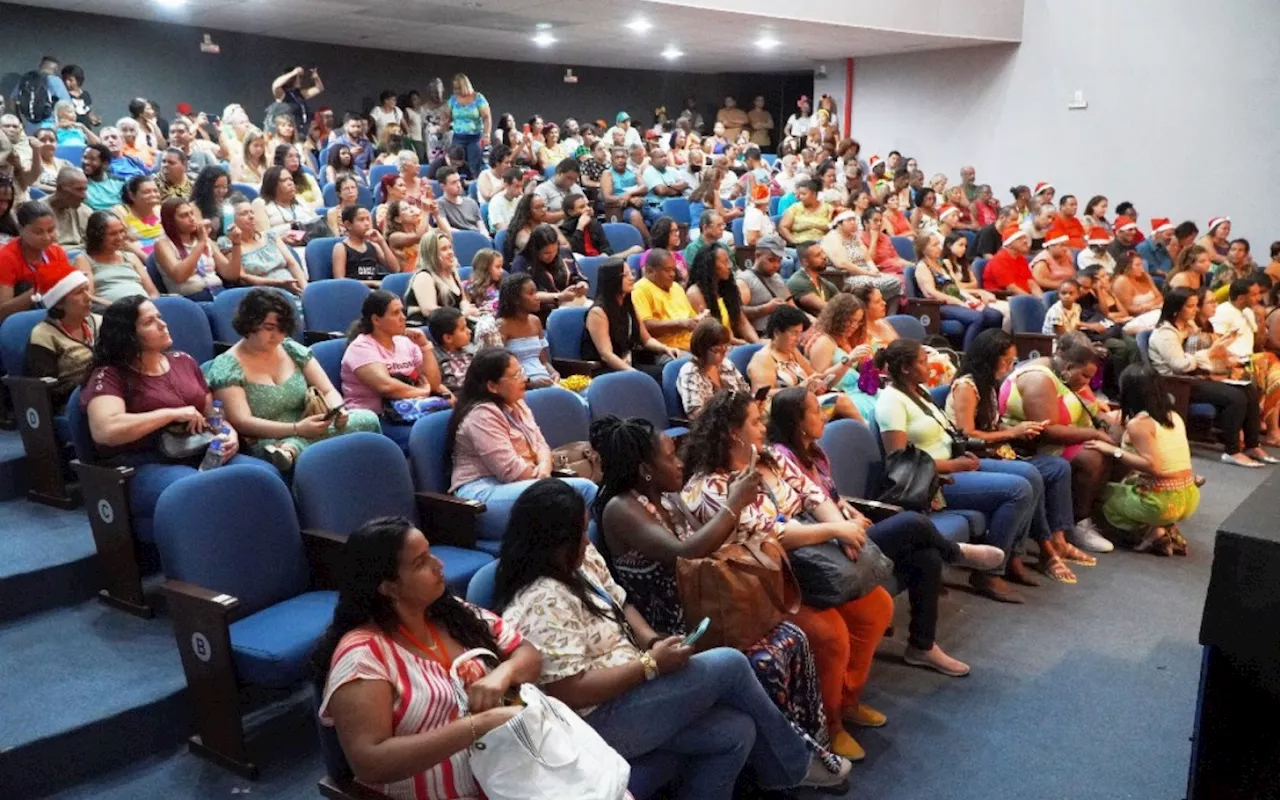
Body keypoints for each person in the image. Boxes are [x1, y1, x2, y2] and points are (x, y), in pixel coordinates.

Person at [496, 479, 845, 796]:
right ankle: (796, 764)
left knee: (736, 732)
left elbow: (620, 602)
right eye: (578, 534)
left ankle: (785, 764)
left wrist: (649, 640)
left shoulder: (578, 559)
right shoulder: (540, 598)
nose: (587, 540)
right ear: (551, 543)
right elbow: (567, 691)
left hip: (632, 685)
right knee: (731, 663)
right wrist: (649, 666)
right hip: (596, 721)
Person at [680, 390, 893, 759]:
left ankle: (846, 700)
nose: (764, 426)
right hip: (764, 578)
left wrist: (841, 532)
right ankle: (829, 726)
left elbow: (813, 495)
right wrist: (834, 532)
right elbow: (764, 533)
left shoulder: (772, 458)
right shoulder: (709, 487)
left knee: (878, 607)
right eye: (755, 421)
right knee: (831, 635)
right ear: (733, 432)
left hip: (812, 561)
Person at [768, 386, 1003, 671]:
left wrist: (848, 509)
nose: (823, 416)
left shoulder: (814, 452)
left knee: (926, 556)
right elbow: (795, 512)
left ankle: (922, 647)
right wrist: (844, 527)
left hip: (843, 528)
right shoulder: (779, 458)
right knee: (912, 522)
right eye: (815, 411)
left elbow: (829, 495)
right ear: (797, 422)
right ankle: (954, 553)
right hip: (824, 544)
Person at [315, 515, 543, 800]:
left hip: (502, 772)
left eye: (430, 553)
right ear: (388, 587)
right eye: (420, 563)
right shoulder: (363, 656)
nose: (439, 565)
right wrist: (476, 726)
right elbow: (370, 762)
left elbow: (529, 654)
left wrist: (503, 673)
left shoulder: (450, 613)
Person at [874, 337, 1043, 603]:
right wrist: (954, 464)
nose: (929, 365)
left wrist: (962, 454)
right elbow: (898, 460)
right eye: (921, 361)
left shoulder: (920, 393)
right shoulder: (891, 402)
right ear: (905, 368)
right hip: (932, 480)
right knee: (1018, 490)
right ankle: (989, 572)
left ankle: (1013, 557)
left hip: (954, 463)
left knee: (1031, 474)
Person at [946, 329, 1094, 583]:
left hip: (997, 451)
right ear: (989, 358)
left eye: (1013, 361)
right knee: (1030, 476)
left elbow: (991, 427)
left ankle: (1058, 539)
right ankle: (1033, 553)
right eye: (1006, 361)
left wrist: (1019, 430)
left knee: (1057, 467)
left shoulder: (989, 384)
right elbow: (967, 434)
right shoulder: (967, 386)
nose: (1010, 366)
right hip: (970, 456)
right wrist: (1013, 431)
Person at [206, 289, 379, 471]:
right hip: (268, 438)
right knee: (281, 449)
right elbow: (242, 422)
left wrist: (338, 409)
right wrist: (296, 429)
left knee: (368, 419)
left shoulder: (290, 348)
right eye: (269, 328)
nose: (277, 336)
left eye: (282, 329)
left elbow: (327, 390)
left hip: (312, 424)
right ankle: (292, 447)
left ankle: (293, 448)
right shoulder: (227, 365)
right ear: (249, 323)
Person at [79, 296, 256, 470]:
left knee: (257, 474)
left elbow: (212, 415)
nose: (163, 325)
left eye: (160, 317)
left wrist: (228, 434)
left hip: (199, 448)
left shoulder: (184, 361)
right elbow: (106, 431)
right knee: (203, 488)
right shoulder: (109, 375)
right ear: (128, 334)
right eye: (149, 322)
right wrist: (171, 414)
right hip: (145, 461)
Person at [447, 350, 597, 538]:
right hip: (483, 498)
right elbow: (510, 471)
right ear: (492, 386)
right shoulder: (481, 415)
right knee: (582, 491)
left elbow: (542, 446)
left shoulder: (518, 404)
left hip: (528, 482)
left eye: (522, 371)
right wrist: (545, 479)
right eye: (516, 375)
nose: (524, 378)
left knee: (569, 515)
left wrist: (543, 467)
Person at [998, 333, 1123, 552]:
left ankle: (1101, 514)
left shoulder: (1066, 375)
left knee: (1121, 440)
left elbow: (1091, 409)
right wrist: (1094, 435)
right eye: (1084, 376)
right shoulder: (1039, 379)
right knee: (1092, 457)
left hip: (1064, 436)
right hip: (1028, 445)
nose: (1086, 383)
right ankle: (1077, 522)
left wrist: (1111, 428)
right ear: (1069, 366)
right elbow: (1047, 432)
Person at [1090, 365, 1199, 556]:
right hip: (1188, 496)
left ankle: (1149, 533)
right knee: (1131, 482)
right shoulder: (1174, 416)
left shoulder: (1138, 424)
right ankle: (1165, 527)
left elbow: (1153, 466)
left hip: (1160, 501)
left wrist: (1113, 450)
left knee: (1100, 497)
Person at [341, 290, 451, 422]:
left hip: (411, 410)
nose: (403, 317)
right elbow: (386, 387)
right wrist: (422, 392)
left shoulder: (405, 342)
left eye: (402, 311)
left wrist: (425, 347)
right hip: (377, 419)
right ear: (376, 320)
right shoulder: (361, 347)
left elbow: (433, 383)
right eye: (395, 313)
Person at [748, 304, 861, 420]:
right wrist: (799, 389)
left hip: (805, 404)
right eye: (793, 333)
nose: (798, 339)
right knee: (841, 401)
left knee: (850, 401)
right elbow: (762, 397)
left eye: (799, 333)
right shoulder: (763, 358)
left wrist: (817, 384)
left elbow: (815, 377)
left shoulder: (792, 352)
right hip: (784, 414)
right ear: (777, 332)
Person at [583, 258, 679, 378]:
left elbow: (647, 340)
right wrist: (634, 374)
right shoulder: (598, 312)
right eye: (626, 275)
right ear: (613, 280)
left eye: (631, 273)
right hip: (606, 369)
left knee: (670, 372)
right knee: (657, 376)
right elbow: (606, 354)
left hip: (628, 364)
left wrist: (665, 348)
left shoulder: (628, 305)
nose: (632, 278)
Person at [1212, 278, 1280, 444]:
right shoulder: (1224, 311)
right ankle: (1268, 429)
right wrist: (1236, 360)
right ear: (1241, 297)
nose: (1259, 298)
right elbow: (1216, 345)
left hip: (1250, 360)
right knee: (1269, 362)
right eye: (1255, 294)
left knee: (1276, 375)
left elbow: (1259, 344)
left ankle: (1271, 429)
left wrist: (1261, 320)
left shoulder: (1249, 312)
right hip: (1230, 363)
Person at [25, 258, 98, 410]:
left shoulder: (99, 322)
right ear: (59, 302)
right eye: (79, 292)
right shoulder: (43, 335)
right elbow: (47, 391)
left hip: (109, 391)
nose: (88, 297)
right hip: (74, 403)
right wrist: (90, 382)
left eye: (87, 289)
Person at [913, 232, 1003, 349]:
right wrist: (956, 301)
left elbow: (956, 286)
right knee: (977, 317)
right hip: (940, 305)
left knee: (995, 315)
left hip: (958, 299)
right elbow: (931, 293)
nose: (939, 248)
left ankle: (989, 350)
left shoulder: (944, 263)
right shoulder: (922, 267)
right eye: (935, 245)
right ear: (924, 249)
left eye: (939, 244)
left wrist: (974, 296)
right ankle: (967, 355)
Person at [0, 201, 73, 324]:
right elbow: (2, 312)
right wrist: (37, 291)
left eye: (51, 230)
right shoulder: (6, 258)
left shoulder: (56, 252)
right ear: (21, 230)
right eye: (38, 232)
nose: (46, 237)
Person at [73, 211, 158, 309]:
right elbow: (88, 297)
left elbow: (153, 293)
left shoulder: (131, 257)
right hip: (110, 313)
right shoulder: (84, 260)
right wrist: (118, 309)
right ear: (97, 236)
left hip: (145, 310)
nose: (120, 237)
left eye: (122, 231)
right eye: (113, 234)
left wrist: (148, 308)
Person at [821, 210, 900, 304]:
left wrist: (874, 269)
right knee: (880, 285)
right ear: (839, 223)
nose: (853, 222)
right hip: (846, 276)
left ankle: (881, 309)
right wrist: (867, 273)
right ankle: (869, 308)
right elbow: (843, 264)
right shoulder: (832, 238)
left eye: (854, 219)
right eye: (849, 220)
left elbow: (867, 257)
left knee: (896, 282)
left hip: (865, 272)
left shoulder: (854, 236)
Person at [675, 318, 749, 417]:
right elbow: (695, 414)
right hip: (712, 426)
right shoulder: (690, 372)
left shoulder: (726, 364)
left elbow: (745, 392)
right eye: (717, 350)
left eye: (726, 348)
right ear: (702, 348)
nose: (723, 354)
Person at [495, 273, 558, 387]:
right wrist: (529, 382)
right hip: (519, 385)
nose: (537, 297)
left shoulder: (535, 321)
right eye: (531, 293)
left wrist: (554, 373)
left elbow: (544, 361)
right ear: (516, 299)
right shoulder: (502, 325)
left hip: (545, 379)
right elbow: (499, 368)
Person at [514, 224, 589, 316]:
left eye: (555, 251)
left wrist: (582, 286)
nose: (552, 255)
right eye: (546, 253)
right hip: (543, 311)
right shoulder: (522, 262)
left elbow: (579, 277)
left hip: (573, 303)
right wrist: (559, 297)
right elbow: (526, 295)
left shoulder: (564, 253)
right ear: (535, 249)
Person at [687, 243, 756, 344]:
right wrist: (744, 345)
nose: (729, 266)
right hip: (715, 347)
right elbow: (714, 332)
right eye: (725, 262)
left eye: (729, 261)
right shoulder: (694, 293)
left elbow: (742, 322)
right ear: (710, 266)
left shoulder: (726, 288)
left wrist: (757, 344)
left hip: (733, 344)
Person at [632, 248, 699, 351]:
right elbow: (645, 327)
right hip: (664, 349)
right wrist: (679, 324)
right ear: (650, 270)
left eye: (673, 270)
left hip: (691, 344)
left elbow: (691, 317)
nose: (672, 274)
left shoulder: (676, 287)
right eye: (667, 270)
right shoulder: (640, 289)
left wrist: (699, 319)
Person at [406, 229, 473, 324]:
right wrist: (461, 314)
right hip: (430, 328)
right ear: (431, 254)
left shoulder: (453, 273)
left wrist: (467, 309)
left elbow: (463, 300)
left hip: (453, 324)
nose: (450, 252)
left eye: (450, 247)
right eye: (444, 249)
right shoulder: (423, 276)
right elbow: (429, 311)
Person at [735, 236, 796, 336]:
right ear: (757, 255)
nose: (776, 265)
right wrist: (765, 308)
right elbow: (737, 314)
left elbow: (793, 307)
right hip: (762, 335)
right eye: (771, 260)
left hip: (785, 333)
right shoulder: (744, 280)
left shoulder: (777, 277)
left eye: (779, 260)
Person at [252, 166, 321, 245]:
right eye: (284, 180)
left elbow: (317, 224)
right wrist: (282, 239)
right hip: (282, 249)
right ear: (272, 185)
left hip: (309, 244)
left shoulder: (300, 201)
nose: (290, 183)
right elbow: (262, 237)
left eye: (291, 179)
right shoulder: (260, 204)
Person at [439, 74, 490, 177]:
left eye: (459, 87)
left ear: (465, 85)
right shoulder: (453, 99)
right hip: (458, 137)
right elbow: (446, 114)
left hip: (475, 137)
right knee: (455, 163)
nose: (456, 90)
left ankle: (473, 185)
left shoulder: (478, 98)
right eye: (455, 88)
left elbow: (486, 117)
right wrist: (444, 123)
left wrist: (487, 134)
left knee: (474, 165)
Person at [332, 206, 397, 287]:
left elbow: (395, 269)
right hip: (353, 290)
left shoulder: (373, 246)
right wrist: (371, 283)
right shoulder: (341, 247)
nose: (367, 223)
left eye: (368, 219)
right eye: (361, 220)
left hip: (375, 290)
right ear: (348, 225)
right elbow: (339, 280)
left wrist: (382, 242)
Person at [982, 224, 1042, 296]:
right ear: (1009, 244)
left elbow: (1031, 283)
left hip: (1023, 296)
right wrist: (1031, 301)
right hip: (1003, 297)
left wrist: (1041, 300)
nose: (1025, 241)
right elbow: (1011, 288)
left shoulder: (1020, 258)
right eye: (1019, 239)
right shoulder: (999, 260)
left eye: (1025, 238)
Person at [427, 306, 475, 394]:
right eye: (463, 329)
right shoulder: (435, 359)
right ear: (448, 338)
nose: (469, 331)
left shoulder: (471, 350)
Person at [114, 175, 163, 257]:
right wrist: (147, 259)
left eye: (155, 191)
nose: (153, 195)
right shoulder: (121, 211)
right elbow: (124, 242)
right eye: (147, 192)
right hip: (136, 258)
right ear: (132, 196)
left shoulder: (160, 210)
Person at [786, 242, 839, 315]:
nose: (824, 256)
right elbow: (823, 307)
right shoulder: (797, 282)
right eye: (818, 255)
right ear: (805, 262)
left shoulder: (825, 283)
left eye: (822, 252)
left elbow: (844, 301)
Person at [45, 166, 92, 250]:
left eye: (85, 190)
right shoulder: (37, 213)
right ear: (60, 189)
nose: (84, 196)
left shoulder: (85, 211)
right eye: (79, 189)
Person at [778, 180, 832, 246]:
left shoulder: (828, 208)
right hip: (801, 245)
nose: (800, 197)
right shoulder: (794, 208)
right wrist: (794, 241)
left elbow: (834, 227)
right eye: (799, 194)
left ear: (814, 194)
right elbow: (783, 227)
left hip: (823, 244)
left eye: (803, 194)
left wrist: (815, 226)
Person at [1111, 250, 1163, 318]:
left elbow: (1160, 297)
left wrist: (1152, 305)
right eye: (1137, 265)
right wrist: (1147, 308)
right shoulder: (1122, 280)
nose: (1142, 268)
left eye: (1141, 264)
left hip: (1156, 310)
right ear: (1127, 267)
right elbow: (1127, 309)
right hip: (1138, 318)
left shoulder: (1145, 275)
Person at [1029, 222, 1076, 291]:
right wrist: (1064, 286)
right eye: (1062, 245)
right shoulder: (1042, 262)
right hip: (1051, 292)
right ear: (1051, 246)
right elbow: (1039, 281)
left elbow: (1073, 274)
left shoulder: (1067, 256)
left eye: (1066, 245)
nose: (1065, 248)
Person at [80, 144, 124, 212]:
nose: (86, 162)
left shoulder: (119, 182)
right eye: (85, 157)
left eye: (92, 159)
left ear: (105, 164)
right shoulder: (78, 183)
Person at [463, 248, 503, 318]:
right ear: (485, 268)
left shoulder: (501, 285)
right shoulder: (469, 287)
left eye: (501, 267)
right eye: (497, 267)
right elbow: (467, 310)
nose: (501, 271)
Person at [485, 167, 523, 233]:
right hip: (502, 236)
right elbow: (501, 229)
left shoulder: (520, 198)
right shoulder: (495, 202)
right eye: (517, 186)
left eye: (521, 186)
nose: (520, 190)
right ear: (506, 186)